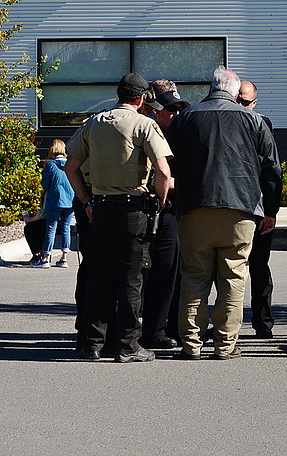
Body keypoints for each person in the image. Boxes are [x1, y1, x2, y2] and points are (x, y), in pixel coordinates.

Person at [167, 67, 281, 360]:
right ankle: (225, 344)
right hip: (240, 209)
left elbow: (168, 163)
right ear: (233, 91)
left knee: (194, 276)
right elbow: (272, 171)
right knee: (233, 276)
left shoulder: (187, 118)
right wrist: (270, 211)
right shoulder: (255, 121)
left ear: (210, 87)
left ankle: (191, 344)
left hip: (195, 207)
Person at [64, 73, 173, 363]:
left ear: (118, 95)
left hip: (100, 209)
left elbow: (70, 166)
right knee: (130, 279)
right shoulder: (144, 124)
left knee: (98, 277)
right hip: (132, 209)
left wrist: (86, 200)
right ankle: (128, 345)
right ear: (140, 99)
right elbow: (163, 171)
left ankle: (92, 344)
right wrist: (160, 200)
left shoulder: (94, 123)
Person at [139, 82, 191, 350]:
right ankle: (154, 329)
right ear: (157, 110)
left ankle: (172, 326)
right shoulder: (149, 131)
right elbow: (152, 177)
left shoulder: (181, 133)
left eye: (180, 107)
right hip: (154, 209)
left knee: (174, 272)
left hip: (173, 209)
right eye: (172, 109)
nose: (177, 113)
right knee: (159, 272)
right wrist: (169, 184)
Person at [238, 79, 277, 338]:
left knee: (259, 266)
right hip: (233, 207)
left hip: (258, 207)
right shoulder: (224, 121)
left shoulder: (262, 125)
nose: (241, 106)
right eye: (237, 100)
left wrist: (271, 212)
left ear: (254, 103)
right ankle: (223, 323)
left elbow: (272, 171)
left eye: (245, 102)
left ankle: (263, 321)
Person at [35, 139, 75, 268]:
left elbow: (44, 184)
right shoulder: (70, 163)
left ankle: (46, 258)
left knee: (51, 228)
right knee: (66, 228)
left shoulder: (51, 165)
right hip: (70, 200)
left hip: (55, 200)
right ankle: (64, 258)